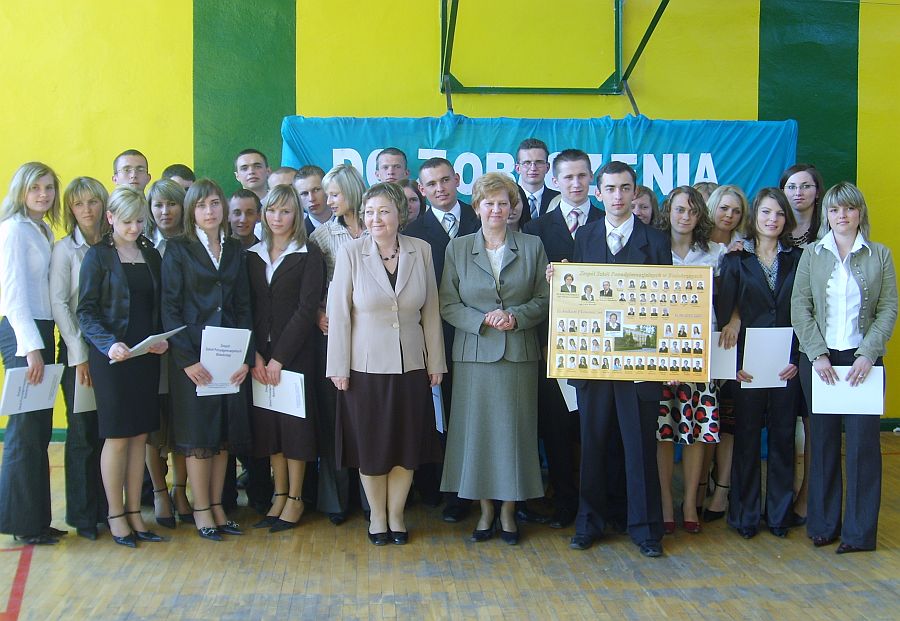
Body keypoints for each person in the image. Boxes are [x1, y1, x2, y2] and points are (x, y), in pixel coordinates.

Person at [326, 182, 445, 545]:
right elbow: (339, 313)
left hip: (412, 367)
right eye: (369, 212)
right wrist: (338, 367)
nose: (375, 219)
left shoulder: (421, 250)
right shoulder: (350, 252)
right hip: (364, 370)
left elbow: (431, 311)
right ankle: (377, 516)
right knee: (372, 446)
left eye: (383, 211)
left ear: (400, 214)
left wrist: (436, 362)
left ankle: (397, 515)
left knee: (406, 446)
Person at [561, 160, 670, 558]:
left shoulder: (655, 241)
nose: (618, 196)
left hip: (638, 358)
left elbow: (665, 307)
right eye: (610, 189)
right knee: (592, 444)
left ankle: (645, 529)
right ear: (598, 193)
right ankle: (589, 523)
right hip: (594, 361)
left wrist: (652, 354)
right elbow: (578, 300)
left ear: (635, 192)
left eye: (625, 188)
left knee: (639, 447)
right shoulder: (586, 235)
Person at [440, 172, 550, 545]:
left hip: (518, 354)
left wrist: (516, 316)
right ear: (477, 207)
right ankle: (485, 510)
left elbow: (545, 298)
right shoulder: (457, 248)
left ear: (513, 207)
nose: (497, 209)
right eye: (489, 203)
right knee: (478, 436)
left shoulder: (533, 246)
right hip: (474, 356)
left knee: (514, 435)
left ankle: (508, 512)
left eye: (504, 203)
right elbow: (447, 304)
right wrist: (481, 320)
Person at [792, 182, 897, 553]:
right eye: (835, 209)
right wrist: (816, 353)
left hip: (863, 363)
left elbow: (888, 308)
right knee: (821, 445)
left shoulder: (880, 255)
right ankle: (823, 526)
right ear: (827, 214)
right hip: (820, 362)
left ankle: (859, 534)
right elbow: (800, 307)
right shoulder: (812, 254)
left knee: (863, 448)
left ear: (860, 213)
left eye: (849, 208)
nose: (842, 216)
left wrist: (868, 353)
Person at [161, 179, 254, 541]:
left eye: (214, 203)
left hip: (228, 356)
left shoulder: (234, 248)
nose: (209, 211)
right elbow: (170, 308)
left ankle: (217, 506)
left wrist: (245, 356)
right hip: (193, 359)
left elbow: (243, 305)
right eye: (201, 205)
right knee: (199, 438)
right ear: (191, 211)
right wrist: (186, 359)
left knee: (222, 437)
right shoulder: (178, 248)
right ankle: (201, 509)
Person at [77, 186, 169, 548]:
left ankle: (134, 512)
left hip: (145, 357)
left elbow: (156, 306)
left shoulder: (151, 253)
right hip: (113, 358)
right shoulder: (97, 256)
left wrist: (161, 338)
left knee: (139, 436)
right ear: (111, 218)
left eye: (139, 221)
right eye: (127, 221)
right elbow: (86, 311)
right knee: (117, 437)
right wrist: (108, 343)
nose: (134, 228)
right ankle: (115, 514)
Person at [717, 187, 803, 539]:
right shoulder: (735, 259)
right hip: (747, 365)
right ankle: (745, 516)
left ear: (786, 219)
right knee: (747, 440)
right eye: (766, 212)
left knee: (783, 440)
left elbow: (808, 310)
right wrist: (732, 362)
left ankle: (780, 516)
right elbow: (726, 314)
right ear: (755, 216)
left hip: (787, 364)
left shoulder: (799, 259)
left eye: (779, 214)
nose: (772, 219)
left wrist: (797, 357)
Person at [404, 157, 479, 522]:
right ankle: (451, 492)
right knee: (443, 416)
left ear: (457, 179)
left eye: (445, 180)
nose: (440, 188)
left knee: (476, 414)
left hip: (482, 334)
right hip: (436, 338)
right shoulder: (413, 232)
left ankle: (483, 488)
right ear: (421, 189)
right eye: (431, 184)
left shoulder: (482, 218)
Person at [247, 184, 324, 533]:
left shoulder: (309, 253)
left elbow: (307, 309)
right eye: (272, 211)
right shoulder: (252, 253)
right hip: (260, 358)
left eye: (285, 211)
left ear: (297, 214)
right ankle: (278, 494)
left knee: (295, 431)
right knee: (270, 429)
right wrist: (256, 355)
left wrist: (279, 358)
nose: (277, 218)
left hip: (295, 355)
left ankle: (296, 497)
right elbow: (246, 307)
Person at [654, 186, 725, 535]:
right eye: (680, 209)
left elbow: (729, 300)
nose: (685, 216)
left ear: (700, 216)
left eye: (693, 211)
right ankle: (666, 501)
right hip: (659, 354)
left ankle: (689, 505)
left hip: (701, 354)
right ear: (669, 212)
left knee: (697, 430)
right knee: (663, 431)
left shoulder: (716, 253)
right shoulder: (653, 249)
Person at [0, 163, 62, 545]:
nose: (43, 194)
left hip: (41, 330)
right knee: (24, 430)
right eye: (35, 187)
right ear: (21, 191)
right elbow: (12, 296)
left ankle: (37, 520)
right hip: (22, 333)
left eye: (49, 187)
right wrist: (31, 349)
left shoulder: (41, 229)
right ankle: (22, 523)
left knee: (38, 429)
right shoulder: (12, 230)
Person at [50, 177, 109, 540]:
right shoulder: (64, 250)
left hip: (111, 350)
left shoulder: (113, 244)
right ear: (70, 209)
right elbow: (60, 304)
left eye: (93, 201)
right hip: (79, 351)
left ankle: (108, 510)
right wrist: (79, 355)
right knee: (83, 433)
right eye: (78, 203)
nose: (87, 209)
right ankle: (84, 516)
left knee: (109, 433)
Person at [308, 163, 367, 525]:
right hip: (334, 339)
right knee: (335, 420)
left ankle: (372, 499)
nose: (328, 201)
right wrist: (317, 313)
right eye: (326, 194)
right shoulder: (322, 237)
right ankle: (336, 501)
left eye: (334, 194)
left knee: (368, 418)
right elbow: (309, 289)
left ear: (352, 191)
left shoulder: (381, 227)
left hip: (374, 340)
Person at [144, 179, 193, 526]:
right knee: (153, 424)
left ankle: (180, 489)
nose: (165, 211)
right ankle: (159, 491)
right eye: (158, 205)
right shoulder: (143, 244)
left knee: (180, 423)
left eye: (171, 204)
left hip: (184, 346)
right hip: (149, 348)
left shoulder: (192, 244)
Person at [780, 163, 826, 525]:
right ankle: (783, 493)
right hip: (778, 338)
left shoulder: (829, 233)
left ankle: (810, 496)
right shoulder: (773, 228)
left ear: (817, 191)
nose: (799, 193)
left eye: (806, 186)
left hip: (816, 339)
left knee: (814, 423)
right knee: (783, 422)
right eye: (792, 187)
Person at [515, 138, 560, 226]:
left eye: (539, 162)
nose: (533, 168)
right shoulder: (508, 201)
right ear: (518, 168)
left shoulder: (559, 200)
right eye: (527, 163)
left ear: (547, 167)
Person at [295, 165, 333, 236]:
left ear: (327, 188)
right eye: (304, 193)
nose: (311, 199)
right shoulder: (297, 236)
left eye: (316, 190)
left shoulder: (351, 222)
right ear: (297, 198)